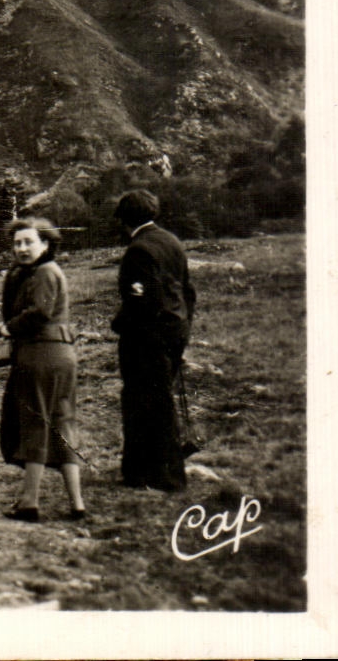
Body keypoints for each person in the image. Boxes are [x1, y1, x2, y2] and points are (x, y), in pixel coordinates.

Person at [0, 218, 86, 522]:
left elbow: (40, 312)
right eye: (17, 243)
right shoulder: (41, 271)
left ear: (46, 244)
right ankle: (76, 504)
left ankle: (29, 503)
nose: (21, 248)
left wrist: (8, 329)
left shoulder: (44, 272)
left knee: (35, 424)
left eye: (28, 242)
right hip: (61, 354)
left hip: (40, 354)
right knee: (62, 423)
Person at [110, 190, 196, 492]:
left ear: (124, 220)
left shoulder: (138, 251)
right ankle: (143, 472)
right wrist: (183, 327)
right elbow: (188, 291)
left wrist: (120, 324)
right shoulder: (171, 241)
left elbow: (143, 303)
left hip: (147, 339)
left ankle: (163, 476)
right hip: (175, 331)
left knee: (145, 403)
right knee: (156, 401)